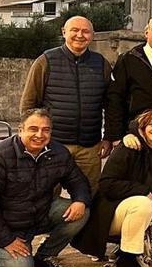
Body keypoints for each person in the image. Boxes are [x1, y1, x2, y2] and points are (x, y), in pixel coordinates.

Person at [0, 109, 91, 267]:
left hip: (38, 214)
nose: (39, 135)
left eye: (46, 130)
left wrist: (80, 200)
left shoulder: (58, 152)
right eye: (33, 129)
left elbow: (78, 181)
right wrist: (6, 240)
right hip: (4, 224)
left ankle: (44, 257)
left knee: (82, 212)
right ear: (20, 130)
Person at [73, 109, 152, 267]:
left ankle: (122, 256)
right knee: (142, 203)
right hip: (116, 213)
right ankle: (129, 259)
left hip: (149, 215)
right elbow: (107, 183)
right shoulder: (129, 147)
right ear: (143, 128)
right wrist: (144, 191)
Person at [19, 15, 112, 188]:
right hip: (54, 144)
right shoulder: (46, 61)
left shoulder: (101, 64)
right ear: (64, 32)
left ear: (92, 35)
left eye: (85, 31)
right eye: (74, 30)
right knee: (46, 193)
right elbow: (29, 103)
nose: (80, 35)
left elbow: (111, 105)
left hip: (89, 147)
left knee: (89, 195)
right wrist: (31, 137)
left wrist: (108, 137)